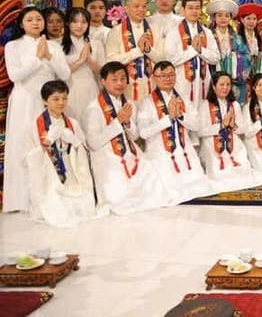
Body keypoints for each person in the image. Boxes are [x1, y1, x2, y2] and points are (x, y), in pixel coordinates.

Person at [3, 7, 72, 213]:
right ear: (22, 24)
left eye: (39, 19)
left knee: (48, 142)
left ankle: (49, 196)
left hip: (49, 102)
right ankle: (21, 200)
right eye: (30, 19)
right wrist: (37, 58)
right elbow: (15, 76)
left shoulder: (53, 46)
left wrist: (49, 56)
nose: (35, 22)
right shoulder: (13, 46)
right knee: (23, 145)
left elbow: (65, 74)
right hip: (24, 100)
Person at [83, 61, 170, 214]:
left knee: (152, 173)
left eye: (123, 79)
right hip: (107, 155)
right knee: (120, 197)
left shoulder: (128, 103)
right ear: (103, 81)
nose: (120, 83)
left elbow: (135, 135)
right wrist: (118, 122)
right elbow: (93, 143)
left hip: (129, 151)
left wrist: (127, 123)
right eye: (114, 79)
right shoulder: (94, 108)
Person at [24, 80, 97, 227]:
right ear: (45, 101)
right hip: (49, 172)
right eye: (56, 99)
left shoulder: (73, 123)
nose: (61, 102)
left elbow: (84, 148)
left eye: (64, 98)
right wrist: (46, 144)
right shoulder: (34, 125)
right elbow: (27, 156)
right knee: (56, 205)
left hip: (71, 168)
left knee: (81, 206)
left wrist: (74, 140)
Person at [136, 61, 210, 203]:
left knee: (198, 188)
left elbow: (196, 125)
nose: (167, 78)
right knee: (168, 190)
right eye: (163, 75)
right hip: (159, 152)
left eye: (171, 75)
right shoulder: (146, 102)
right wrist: (167, 118)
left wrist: (180, 116)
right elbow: (143, 133)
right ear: (154, 78)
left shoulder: (184, 99)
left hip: (184, 151)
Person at [197, 72, 259, 191]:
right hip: (211, 143)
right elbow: (200, 131)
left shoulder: (234, 104)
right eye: (221, 84)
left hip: (232, 142)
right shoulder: (205, 104)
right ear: (214, 87)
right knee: (218, 173)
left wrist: (233, 126)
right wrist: (221, 125)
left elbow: (242, 129)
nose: (225, 87)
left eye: (228, 84)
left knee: (243, 170)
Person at [105, 0, 166, 101]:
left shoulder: (156, 29)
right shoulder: (115, 32)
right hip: (126, 87)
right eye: (136, 6)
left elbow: (163, 59)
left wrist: (148, 50)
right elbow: (110, 61)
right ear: (126, 8)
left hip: (152, 84)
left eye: (143, 6)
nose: (141, 10)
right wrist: (138, 51)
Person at [166, 0, 221, 106]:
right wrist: (192, 50)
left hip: (203, 82)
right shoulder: (173, 32)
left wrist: (201, 50)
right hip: (182, 82)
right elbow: (170, 60)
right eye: (190, 8)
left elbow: (216, 58)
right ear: (183, 10)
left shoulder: (207, 32)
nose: (194, 11)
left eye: (197, 8)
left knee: (203, 113)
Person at [61, 7, 103, 124]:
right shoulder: (58, 45)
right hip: (69, 88)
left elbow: (102, 71)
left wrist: (88, 59)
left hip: (91, 88)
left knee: (91, 123)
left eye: (83, 22)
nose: (79, 26)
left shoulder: (96, 44)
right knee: (72, 124)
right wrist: (80, 60)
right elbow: (61, 74)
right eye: (75, 22)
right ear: (68, 23)